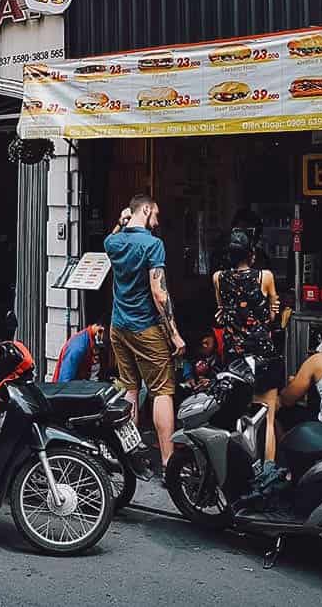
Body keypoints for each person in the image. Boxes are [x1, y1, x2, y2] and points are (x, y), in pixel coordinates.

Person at [104, 194, 186, 469]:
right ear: (147, 209)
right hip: (145, 328)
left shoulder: (113, 242)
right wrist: (174, 333)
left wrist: (120, 221)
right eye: (156, 215)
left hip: (118, 326)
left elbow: (110, 238)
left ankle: (130, 455)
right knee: (162, 391)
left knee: (130, 387)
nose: (157, 221)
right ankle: (168, 462)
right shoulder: (153, 245)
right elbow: (159, 294)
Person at [214, 229, 283, 461]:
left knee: (239, 417)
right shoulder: (266, 277)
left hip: (235, 359)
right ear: (251, 254)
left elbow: (223, 312)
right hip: (263, 355)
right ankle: (268, 471)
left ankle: (244, 470)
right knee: (268, 419)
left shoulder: (218, 278)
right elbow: (273, 315)